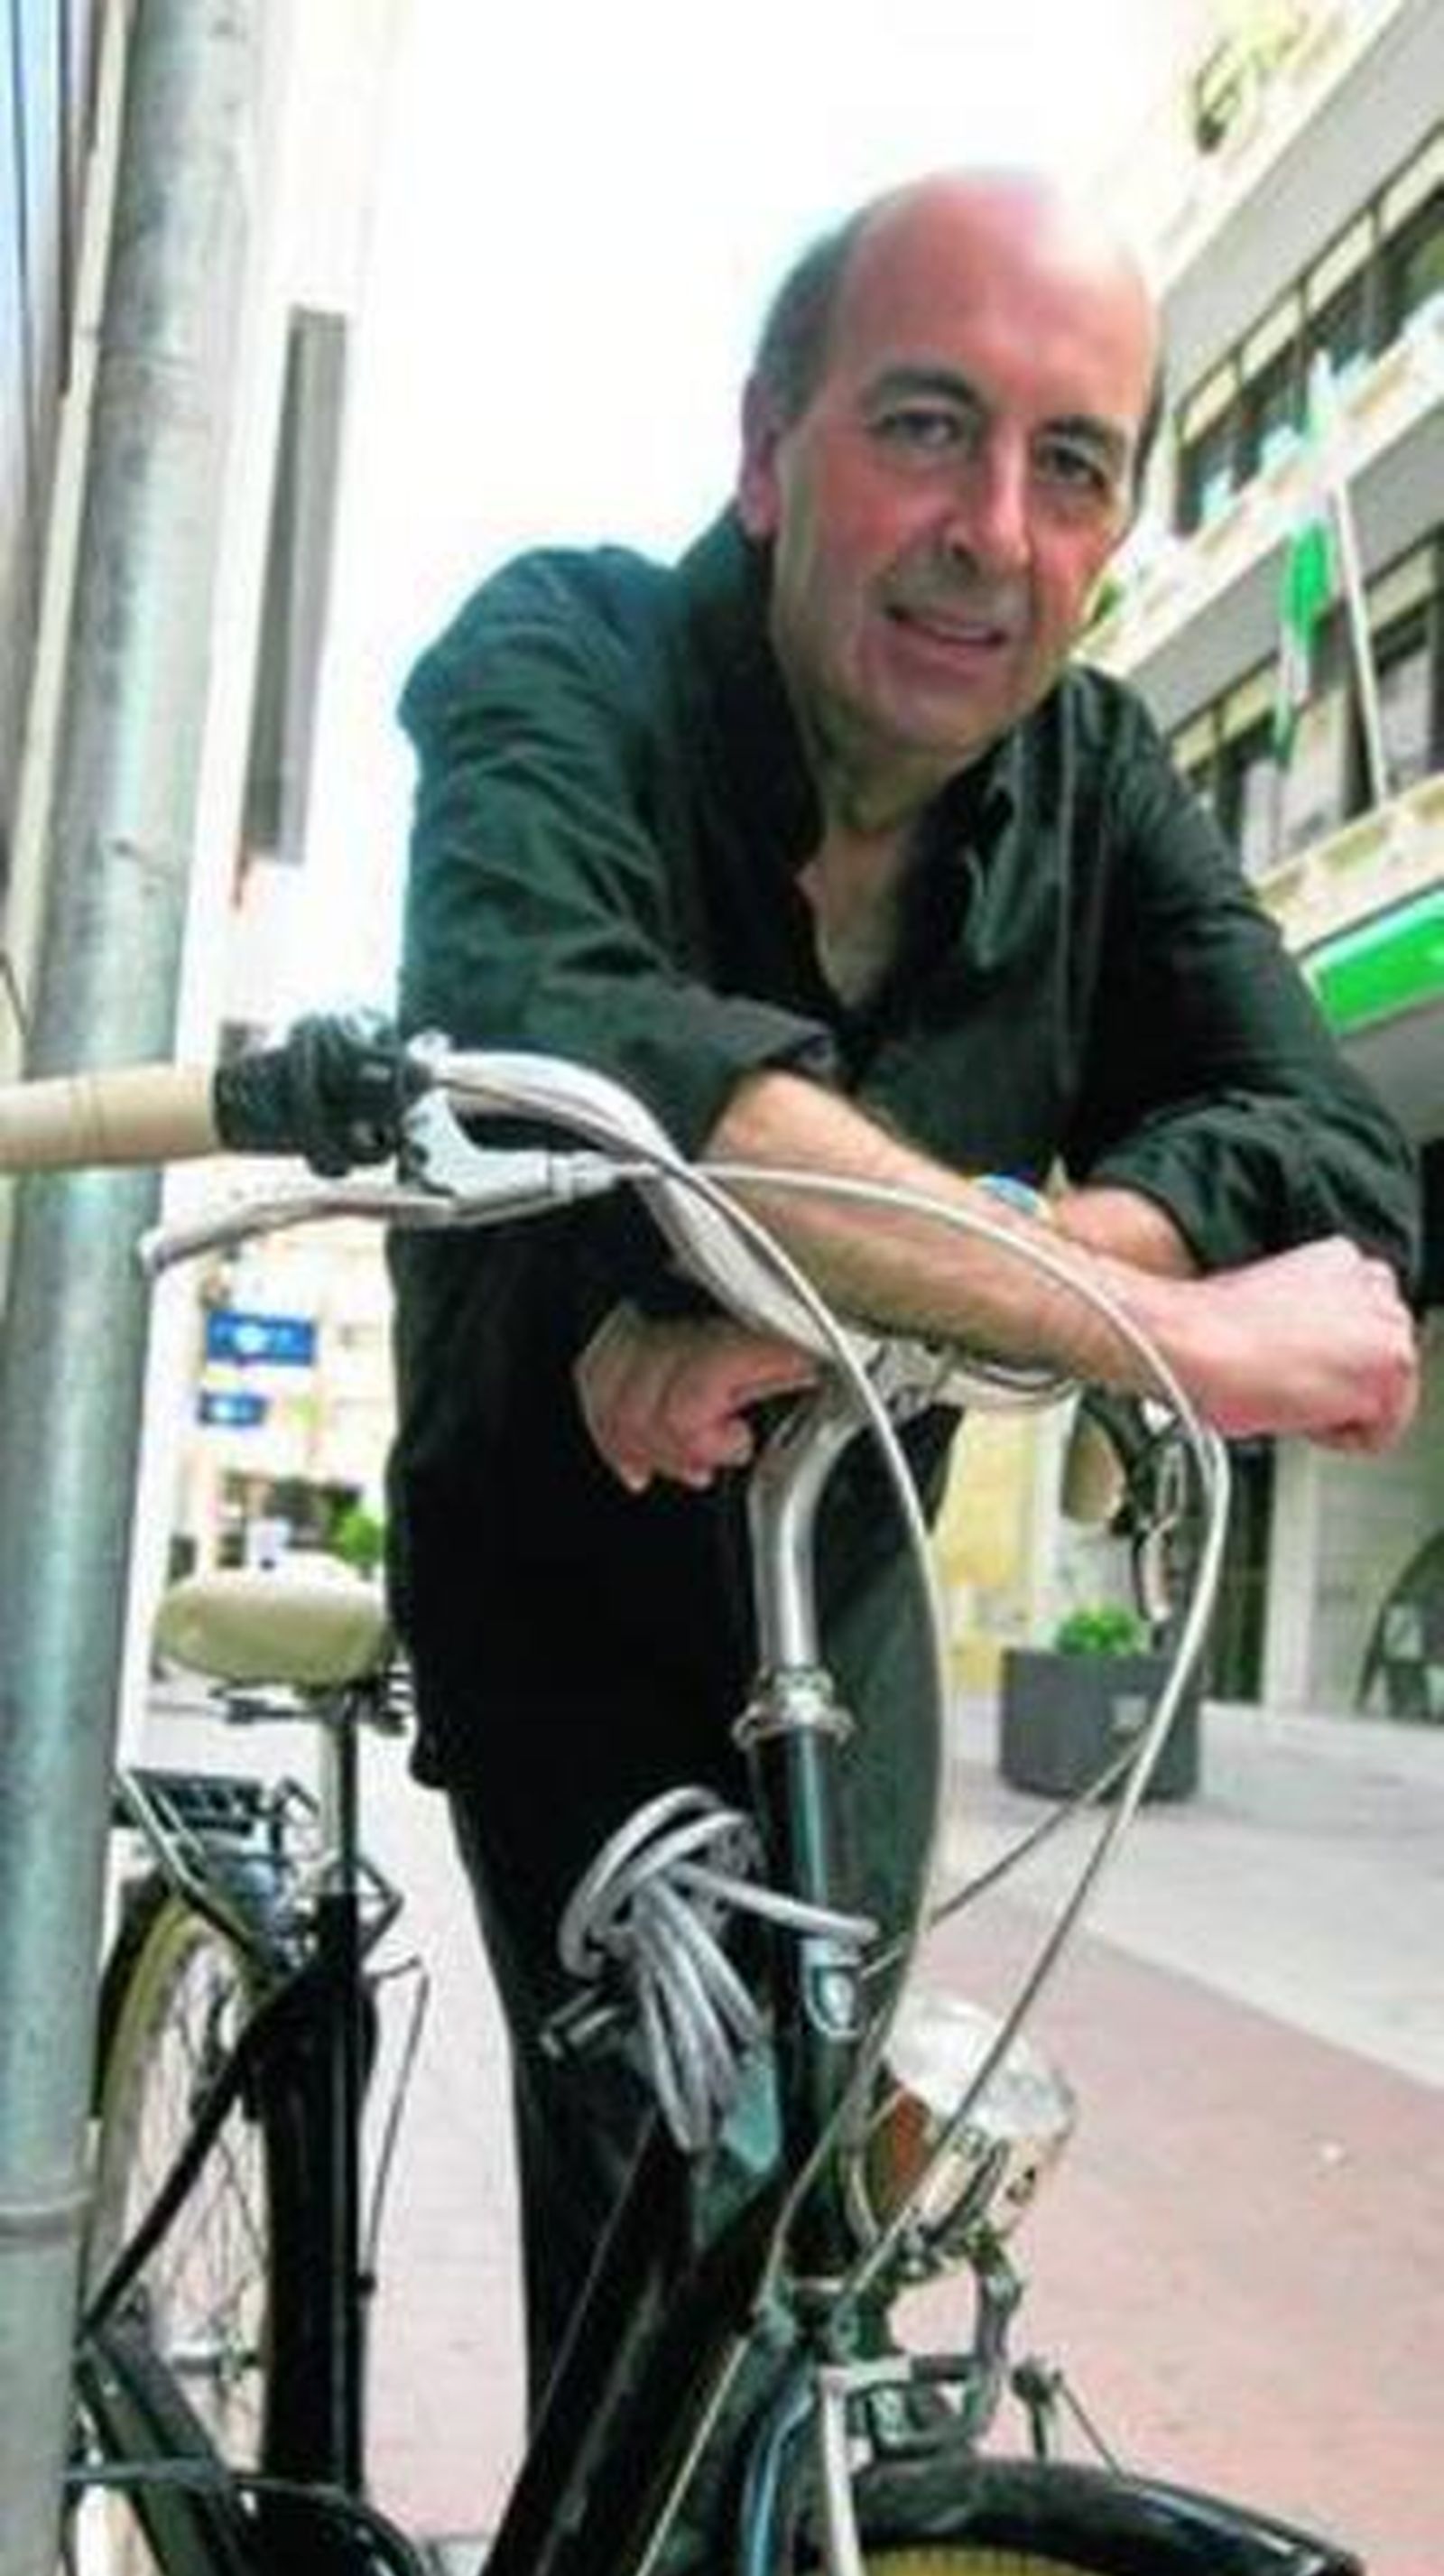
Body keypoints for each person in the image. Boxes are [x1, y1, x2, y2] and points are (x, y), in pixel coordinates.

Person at [386, 170, 1419, 2417]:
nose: (993, 530)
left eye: (1071, 466)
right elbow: (561, 1029)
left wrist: (877, 1290)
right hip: (544, 1581)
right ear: (769, 451)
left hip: (830, 1607)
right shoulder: (555, 658)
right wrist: (1157, 1320)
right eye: (925, 428)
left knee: (826, 2274)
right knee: (650, 2295)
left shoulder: (1099, 775)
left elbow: (1329, 1161)